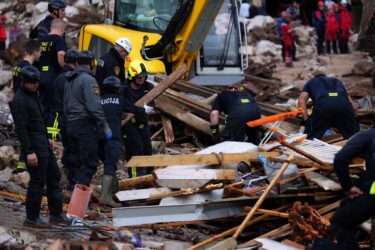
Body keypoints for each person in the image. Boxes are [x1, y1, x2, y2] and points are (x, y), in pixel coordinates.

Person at [10, 65, 68, 227]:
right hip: (34, 147)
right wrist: (29, 152)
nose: (36, 85)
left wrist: (48, 137)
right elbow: (21, 129)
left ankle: (56, 215)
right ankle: (31, 218)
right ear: (24, 82)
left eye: (36, 82)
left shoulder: (34, 94)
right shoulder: (20, 100)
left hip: (43, 144)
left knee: (54, 177)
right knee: (37, 182)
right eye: (32, 82)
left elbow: (39, 120)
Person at [64, 50, 112, 187]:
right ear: (92, 63)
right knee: (90, 162)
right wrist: (104, 125)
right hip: (84, 126)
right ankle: (79, 195)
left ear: (77, 63)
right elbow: (94, 106)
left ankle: (73, 189)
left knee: (76, 160)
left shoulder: (69, 79)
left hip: (71, 125)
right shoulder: (89, 80)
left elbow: (65, 105)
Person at [98, 76, 147, 207]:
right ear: (116, 88)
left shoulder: (98, 100)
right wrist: (145, 110)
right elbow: (133, 109)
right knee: (110, 165)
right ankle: (105, 197)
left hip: (98, 137)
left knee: (107, 163)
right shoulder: (119, 100)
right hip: (113, 137)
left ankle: (112, 193)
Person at [330, 128, 375, 250]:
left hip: (372, 194)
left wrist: (348, 187)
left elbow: (340, 159)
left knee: (340, 222)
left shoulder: (368, 135)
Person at [298, 72, 358, 140]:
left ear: (315, 77)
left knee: (310, 137)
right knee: (353, 137)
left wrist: (306, 121)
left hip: (323, 106)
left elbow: (301, 101)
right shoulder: (337, 81)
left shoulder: (312, 81)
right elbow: (352, 104)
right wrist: (353, 119)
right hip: (344, 106)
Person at [121, 60, 154, 178]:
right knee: (135, 150)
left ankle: (150, 176)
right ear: (132, 76)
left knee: (147, 150)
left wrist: (149, 108)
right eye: (139, 77)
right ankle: (135, 177)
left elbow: (152, 102)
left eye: (144, 77)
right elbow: (123, 106)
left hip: (143, 124)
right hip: (129, 125)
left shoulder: (149, 87)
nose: (142, 79)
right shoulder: (124, 89)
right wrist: (138, 109)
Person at [53, 49, 78, 190]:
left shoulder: (58, 77)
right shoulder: (71, 78)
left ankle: (70, 179)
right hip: (72, 118)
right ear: (76, 62)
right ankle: (74, 181)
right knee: (74, 150)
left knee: (68, 148)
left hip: (62, 118)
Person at [38, 18, 66, 128]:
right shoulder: (59, 40)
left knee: (42, 104)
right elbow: (61, 54)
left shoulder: (40, 40)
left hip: (40, 75)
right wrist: (65, 67)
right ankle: (52, 134)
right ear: (62, 29)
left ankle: (42, 129)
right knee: (55, 106)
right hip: (53, 76)